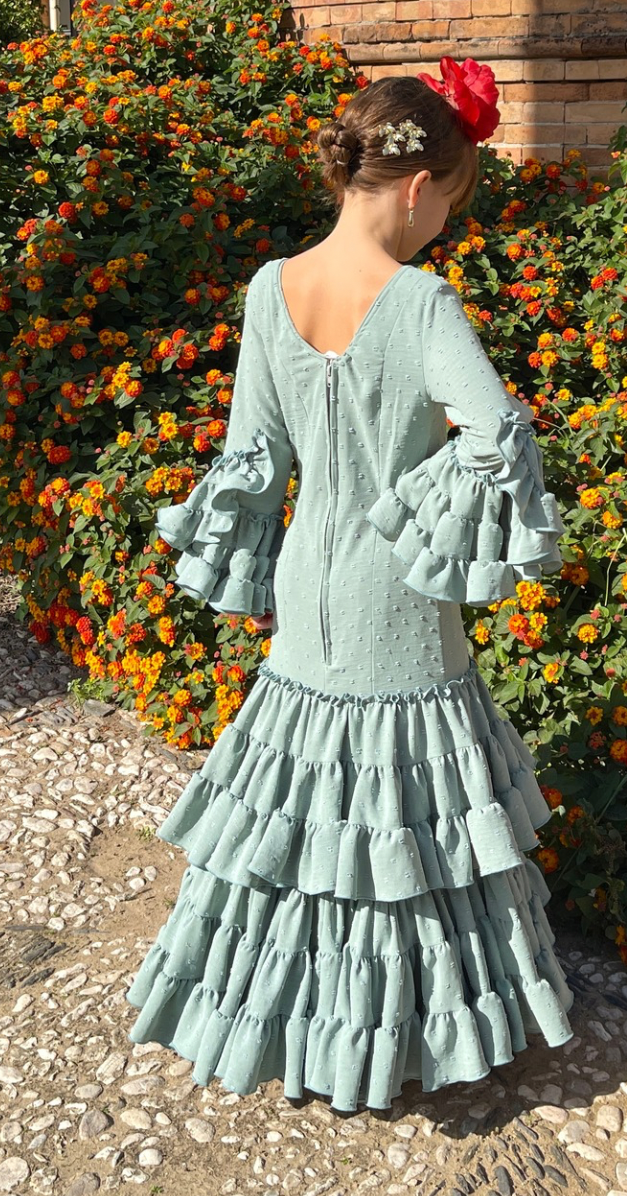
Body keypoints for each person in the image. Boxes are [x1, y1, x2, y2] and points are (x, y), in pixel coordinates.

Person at [125, 58, 576, 1114]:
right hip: (400, 603)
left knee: (307, 825)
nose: (443, 231)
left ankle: (285, 1024)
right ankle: (408, 1037)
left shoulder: (267, 289)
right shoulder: (419, 302)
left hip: (306, 596)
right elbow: (497, 434)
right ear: (420, 188)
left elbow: (251, 462)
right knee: (403, 825)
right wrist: (413, 519)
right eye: (450, 209)